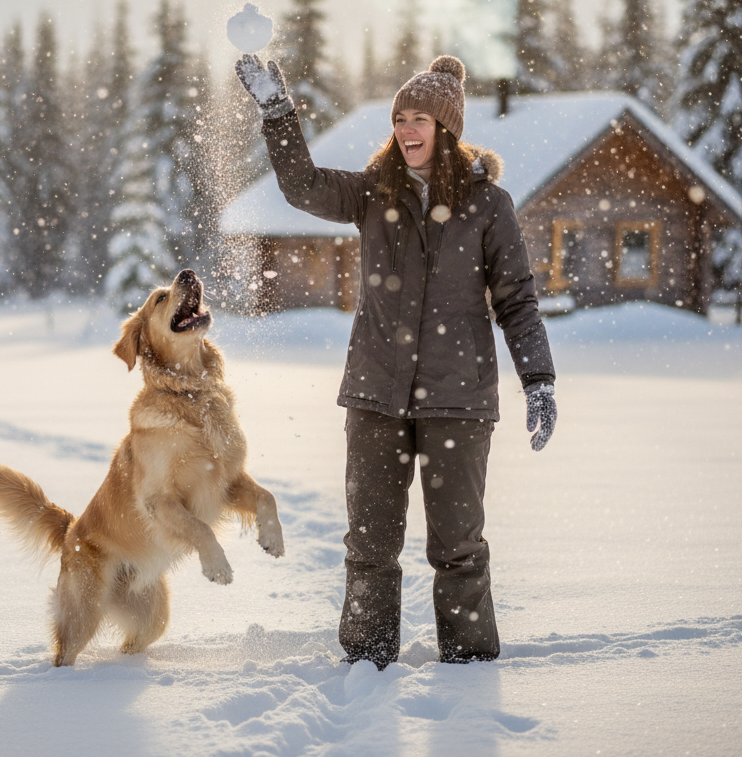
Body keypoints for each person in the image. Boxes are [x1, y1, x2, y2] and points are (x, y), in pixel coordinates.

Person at [235, 53, 557, 668]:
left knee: (459, 546)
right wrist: (278, 113)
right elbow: (302, 186)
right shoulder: (372, 192)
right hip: (377, 394)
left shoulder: (490, 206)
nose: (408, 130)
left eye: (421, 119)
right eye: (401, 117)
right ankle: (366, 662)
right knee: (369, 545)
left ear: (447, 128)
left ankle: (467, 672)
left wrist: (538, 378)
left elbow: (517, 301)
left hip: (458, 399)